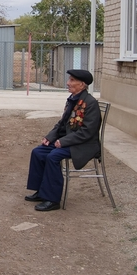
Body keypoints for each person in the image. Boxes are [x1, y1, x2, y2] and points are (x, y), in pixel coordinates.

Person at [25, 69, 102, 212]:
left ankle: (53, 199)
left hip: (83, 145)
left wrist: (64, 141)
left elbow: (87, 132)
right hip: (69, 141)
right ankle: (42, 192)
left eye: (72, 80)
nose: (68, 83)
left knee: (53, 156)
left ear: (82, 84)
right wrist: (50, 137)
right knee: (38, 152)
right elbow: (61, 124)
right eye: (69, 79)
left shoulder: (90, 103)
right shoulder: (72, 99)